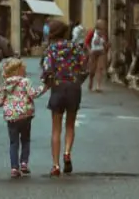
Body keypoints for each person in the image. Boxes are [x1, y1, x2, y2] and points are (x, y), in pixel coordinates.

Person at [41, 19, 88, 177]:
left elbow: (47, 69)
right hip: (73, 87)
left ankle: (55, 165)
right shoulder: (75, 47)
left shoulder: (51, 49)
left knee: (56, 128)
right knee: (70, 124)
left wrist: (47, 83)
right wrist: (78, 80)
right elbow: (84, 66)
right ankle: (67, 152)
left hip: (58, 87)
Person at [0, 58, 48, 178]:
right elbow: (33, 94)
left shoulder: (5, 85)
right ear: (18, 71)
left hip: (11, 117)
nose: (25, 72)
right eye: (24, 70)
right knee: (25, 140)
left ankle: (14, 167)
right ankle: (24, 163)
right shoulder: (25, 82)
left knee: (13, 142)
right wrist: (44, 88)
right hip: (25, 115)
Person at [84, 19, 109, 92]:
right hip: (93, 52)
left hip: (101, 52)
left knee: (100, 68)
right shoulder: (92, 32)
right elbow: (86, 42)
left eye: (103, 25)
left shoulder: (104, 33)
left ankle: (98, 86)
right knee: (92, 69)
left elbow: (104, 44)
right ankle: (91, 80)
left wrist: (107, 46)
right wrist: (89, 50)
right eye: (101, 24)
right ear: (97, 25)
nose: (103, 26)